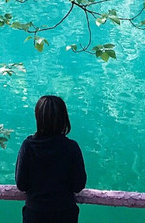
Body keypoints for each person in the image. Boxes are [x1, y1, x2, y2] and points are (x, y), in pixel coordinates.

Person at [14, 95, 87, 223]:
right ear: (64, 119)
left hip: (35, 214)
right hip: (65, 214)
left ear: (38, 118)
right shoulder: (71, 147)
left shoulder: (28, 146)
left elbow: (21, 184)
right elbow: (78, 185)